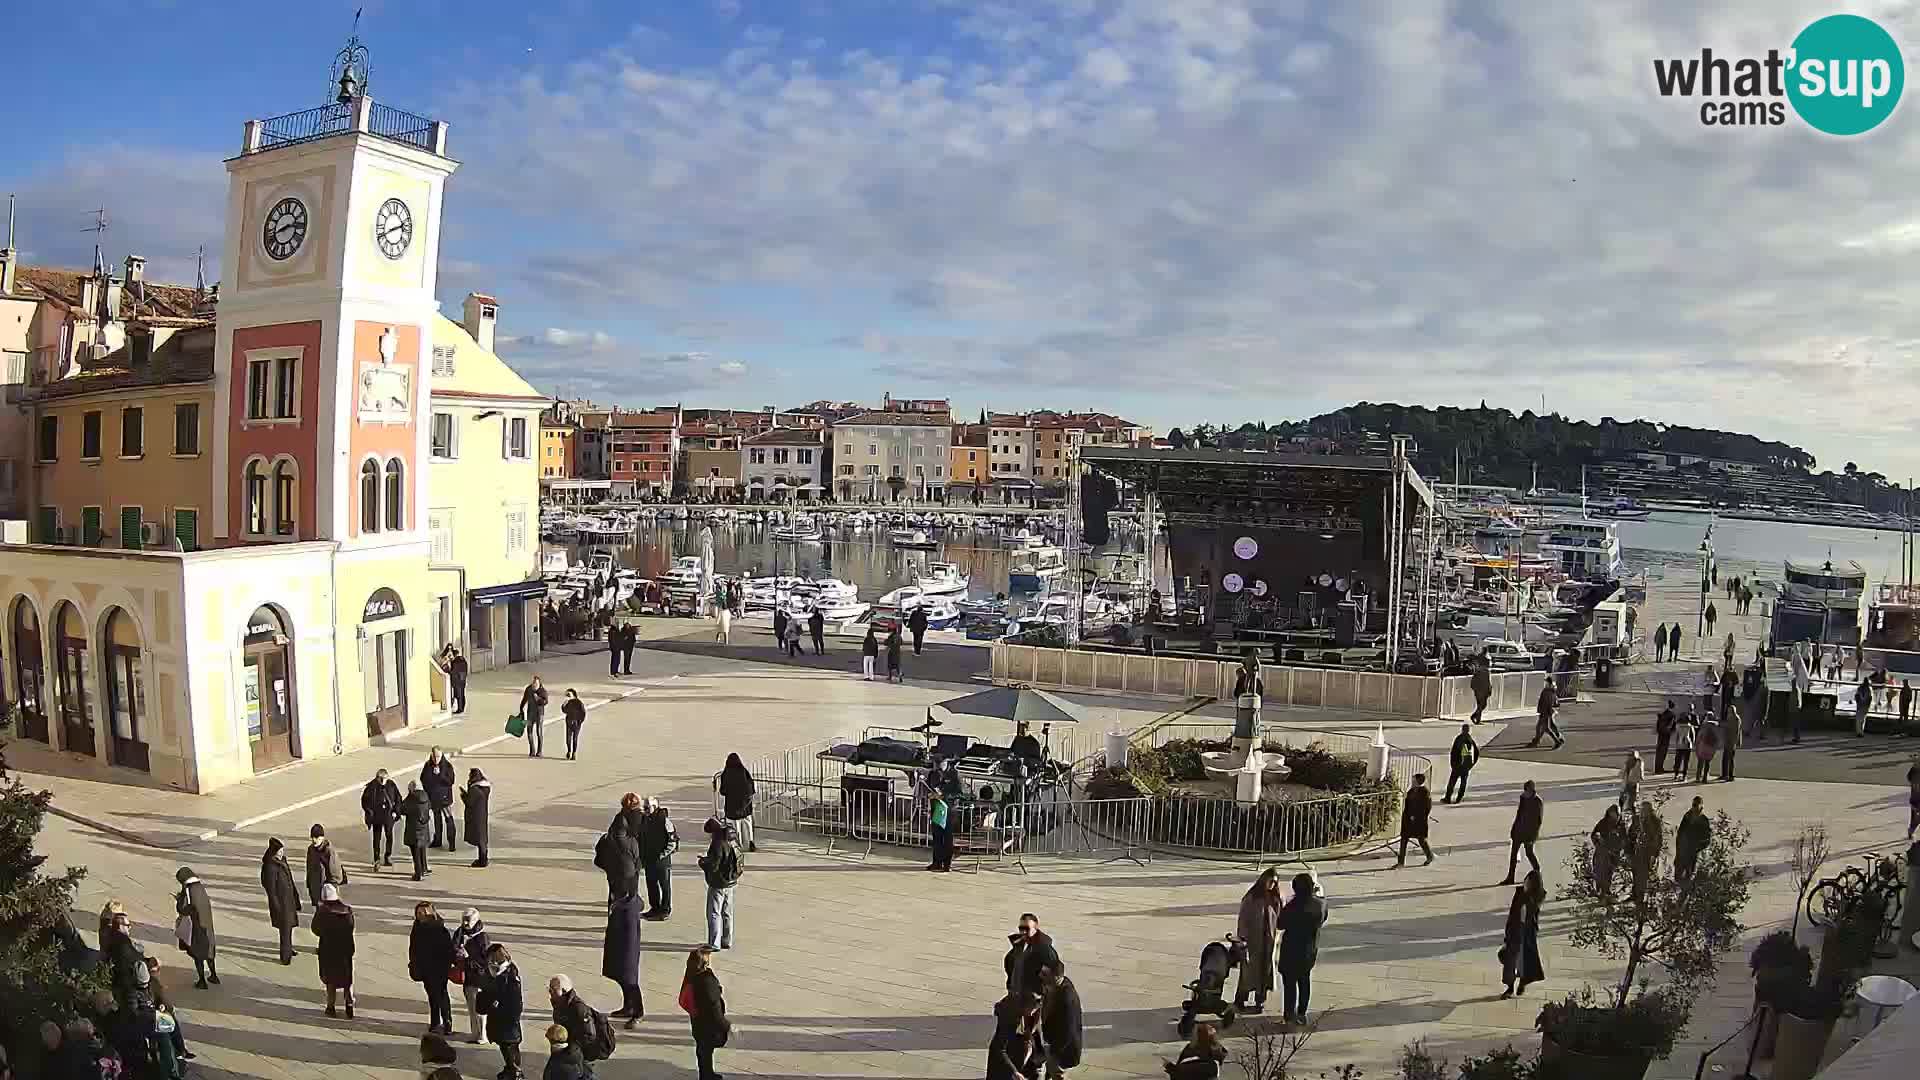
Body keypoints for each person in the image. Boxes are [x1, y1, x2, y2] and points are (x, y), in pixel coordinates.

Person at [1277, 871, 1327, 1027]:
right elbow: (1324, 917)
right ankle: (1302, 1013)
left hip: (1291, 950)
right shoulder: (1320, 904)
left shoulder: (1292, 908)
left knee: (1290, 985)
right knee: (1304, 982)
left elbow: (1280, 924)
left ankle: (1289, 1014)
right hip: (1309, 950)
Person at [1232, 869, 1281, 1013]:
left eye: (1275, 882)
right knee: (1248, 973)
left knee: (1265, 972)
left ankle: (1260, 1001)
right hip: (1252, 941)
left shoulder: (1275, 899)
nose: (1272, 885)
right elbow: (1243, 919)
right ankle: (1240, 1000)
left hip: (1268, 941)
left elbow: (1279, 919)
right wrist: (1242, 939)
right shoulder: (1251, 898)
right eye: (1270, 881)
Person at [477, 944, 525, 1080]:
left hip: (507, 1021)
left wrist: (495, 1004)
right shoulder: (499, 973)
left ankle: (515, 1071)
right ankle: (511, 1067)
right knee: (506, 1047)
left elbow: (514, 1003)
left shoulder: (509, 976)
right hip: (500, 1020)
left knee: (509, 1047)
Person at [600, 885, 645, 1025]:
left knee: (630, 980)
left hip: (627, 947)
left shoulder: (629, 904)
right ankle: (628, 1007)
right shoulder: (620, 899)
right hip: (619, 943)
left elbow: (631, 934)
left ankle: (638, 1012)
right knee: (622, 977)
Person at [682, 947, 730, 1080]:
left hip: (697, 1022)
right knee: (706, 1050)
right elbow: (714, 1009)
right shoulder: (706, 981)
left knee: (702, 1051)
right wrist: (726, 1026)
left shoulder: (691, 975)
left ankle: (705, 1073)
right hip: (708, 1025)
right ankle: (707, 1075)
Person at [411, 901, 457, 1036]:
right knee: (432, 995)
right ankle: (435, 1022)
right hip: (424, 967)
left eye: (424, 913)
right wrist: (413, 962)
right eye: (419, 913)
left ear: (432, 913)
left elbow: (448, 949)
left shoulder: (439, 928)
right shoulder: (417, 926)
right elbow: (413, 946)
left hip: (439, 968)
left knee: (441, 995)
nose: (421, 916)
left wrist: (447, 965)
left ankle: (447, 1022)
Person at [312, 883, 356, 1018]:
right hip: (345, 949)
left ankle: (331, 1007)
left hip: (328, 950)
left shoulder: (323, 911)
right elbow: (351, 927)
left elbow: (315, 929)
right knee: (347, 980)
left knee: (330, 980)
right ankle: (349, 1004)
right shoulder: (347, 910)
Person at [1499, 871, 1546, 998]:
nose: (1525, 883)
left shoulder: (1538, 896)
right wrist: (1507, 933)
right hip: (1515, 931)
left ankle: (1523, 982)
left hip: (1527, 933)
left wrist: (1526, 896)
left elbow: (1532, 909)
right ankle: (1509, 988)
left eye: (1528, 882)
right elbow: (1512, 913)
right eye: (1526, 880)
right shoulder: (1519, 893)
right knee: (1510, 962)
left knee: (1524, 962)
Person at [698, 819, 743, 951]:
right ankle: (726, 940)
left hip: (718, 883)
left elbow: (713, 865)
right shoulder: (731, 839)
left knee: (714, 912)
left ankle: (714, 943)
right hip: (731, 882)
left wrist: (703, 862)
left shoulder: (717, 844)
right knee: (727, 912)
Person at [173, 866, 219, 988]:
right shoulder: (200, 887)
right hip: (207, 926)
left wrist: (178, 900)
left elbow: (184, 910)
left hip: (197, 928)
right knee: (209, 952)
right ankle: (214, 975)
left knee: (198, 955)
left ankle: (202, 981)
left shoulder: (188, 890)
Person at [260, 837, 302, 964]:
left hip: (288, 900)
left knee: (288, 928)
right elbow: (270, 890)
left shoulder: (282, 861)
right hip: (281, 904)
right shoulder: (270, 867)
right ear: (274, 852)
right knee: (285, 929)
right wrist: (276, 907)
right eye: (279, 851)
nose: (282, 853)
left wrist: (296, 897)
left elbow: (290, 880)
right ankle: (285, 956)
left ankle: (288, 949)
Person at [454, 908, 493, 1045]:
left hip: (479, 979)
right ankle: (474, 1032)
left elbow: (485, 961)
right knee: (471, 1008)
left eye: (468, 920)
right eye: (463, 919)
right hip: (467, 977)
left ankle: (483, 1034)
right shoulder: (460, 933)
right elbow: (453, 947)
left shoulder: (482, 937)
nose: (465, 923)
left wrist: (468, 957)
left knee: (480, 1008)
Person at [637, 797, 679, 919]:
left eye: (647, 807)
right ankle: (654, 908)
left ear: (654, 807)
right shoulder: (644, 820)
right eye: (644, 807)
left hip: (662, 861)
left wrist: (661, 855)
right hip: (648, 860)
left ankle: (665, 910)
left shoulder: (665, 821)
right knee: (651, 885)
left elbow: (672, 842)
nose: (644, 810)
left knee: (665, 886)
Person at [1039, 962, 1082, 1080]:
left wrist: (1054, 1052)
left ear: (1056, 976)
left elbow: (1068, 1030)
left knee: (1058, 1075)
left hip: (1061, 1049)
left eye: (1045, 974)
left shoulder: (1067, 998)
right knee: (1051, 1071)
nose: (1041, 975)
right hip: (1052, 1042)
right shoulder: (1055, 985)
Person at [987, 992, 1043, 1080]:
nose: (1031, 1014)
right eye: (1032, 1010)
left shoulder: (1029, 1013)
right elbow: (999, 1048)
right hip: (1006, 1065)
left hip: (1019, 1060)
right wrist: (1014, 1071)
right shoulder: (1009, 1020)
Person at [1004, 913, 1061, 999]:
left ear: (1036, 928)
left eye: (1027, 928)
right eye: (1021, 928)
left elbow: (1056, 972)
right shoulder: (1019, 945)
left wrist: (1040, 995)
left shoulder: (1044, 948)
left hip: (1033, 1000)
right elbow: (1011, 966)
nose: (1023, 932)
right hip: (1016, 996)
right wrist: (1010, 987)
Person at [1502, 780, 1543, 885]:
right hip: (1518, 831)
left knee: (1529, 853)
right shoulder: (1523, 798)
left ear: (1531, 790)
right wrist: (1513, 829)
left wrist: (1533, 837)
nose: (1525, 792)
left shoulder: (1537, 802)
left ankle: (1538, 873)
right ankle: (1510, 877)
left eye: (1527, 790)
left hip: (1529, 833)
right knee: (1513, 855)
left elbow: (1538, 822)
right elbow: (1518, 815)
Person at [362, 767, 402, 867]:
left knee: (389, 836)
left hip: (388, 815)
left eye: (383, 779)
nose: (381, 781)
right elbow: (364, 801)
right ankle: (376, 859)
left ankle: (388, 856)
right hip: (376, 816)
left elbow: (398, 798)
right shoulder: (371, 787)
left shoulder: (391, 785)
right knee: (377, 838)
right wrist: (370, 812)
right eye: (379, 779)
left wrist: (396, 811)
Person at [718, 753, 757, 853]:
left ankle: (738, 845)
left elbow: (723, 791)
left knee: (736, 827)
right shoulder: (744, 772)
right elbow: (751, 787)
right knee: (748, 825)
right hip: (745, 806)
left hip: (732, 807)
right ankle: (750, 842)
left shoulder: (726, 774)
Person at [596, 818, 641, 902]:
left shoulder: (605, 838)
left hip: (612, 872)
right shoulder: (631, 841)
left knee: (613, 893)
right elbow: (636, 857)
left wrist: (606, 867)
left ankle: (613, 912)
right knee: (627, 895)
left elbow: (599, 854)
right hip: (627, 872)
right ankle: (627, 912)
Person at [424, 748, 459, 853]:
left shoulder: (447, 766)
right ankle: (437, 840)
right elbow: (423, 779)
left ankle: (451, 842)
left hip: (445, 798)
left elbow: (451, 781)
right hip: (433, 798)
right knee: (437, 819)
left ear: (441, 755)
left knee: (448, 818)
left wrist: (440, 775)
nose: (436, 759)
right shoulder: (428, 765)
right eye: (434, 756)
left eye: (438, 756)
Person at [1395, 773, 1434, 867]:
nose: (1411, 782)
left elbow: (1427, 808)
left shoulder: (1425, 792)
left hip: (1419, 821)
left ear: (1417, 781)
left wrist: (1417, 817)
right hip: (1408, 820)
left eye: (1413, 780)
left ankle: (1430, 856)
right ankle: (1401, 862)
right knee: (1404, 840)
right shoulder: (1411, 791)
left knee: (1421, 840)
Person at [1628, 800, 1664, 900]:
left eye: (1645, 810)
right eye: (1642, 809)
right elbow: (1630, 835)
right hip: (1638, 850)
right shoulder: (1637, 819)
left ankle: (1645, 897)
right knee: (1636, 873)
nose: (1643, 812)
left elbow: (1658, 839)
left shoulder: (1655, 822)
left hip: (1649, 852)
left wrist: (1654, 854)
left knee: (1646, 875)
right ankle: (1636, 894)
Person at [402, 780, 435, 881]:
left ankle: (418, 873)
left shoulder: (411, 798)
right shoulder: (425, 796)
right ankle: (424, 868)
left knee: (415, 852)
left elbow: (403, 809)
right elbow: (429, 806)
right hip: (424, 827)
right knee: (422, 849)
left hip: (413, 828)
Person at [306, 824, 346, 907]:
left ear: (322, 837)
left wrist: (330, 888)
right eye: (312, 837)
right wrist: (309, 884)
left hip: (328, 891)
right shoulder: (311, 850)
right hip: (316, 889)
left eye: (316, 837)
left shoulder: (329, 851)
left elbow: (336, 874)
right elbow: (309, 868)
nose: (314, 840)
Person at [1590, 804, 1626, 895]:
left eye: (1615, 813)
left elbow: (1624, 838)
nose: (1613, 815)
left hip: (1614, 853)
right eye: (1612, 812)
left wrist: (1620, 847)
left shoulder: (1620, 825)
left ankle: (1607, 891)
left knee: (1610, 873)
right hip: (1602, 853)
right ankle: (1602, 892)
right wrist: (1598, 843)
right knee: (1601, 872)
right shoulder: (1603, 822)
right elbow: (1594, 835)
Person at [1674, 796, 1711, 883]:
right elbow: (1680, 834)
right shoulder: (1687, 816)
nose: (1694, 807)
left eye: (1696, 805)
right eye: (1693, 805)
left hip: (1693, 854)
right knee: (1678, 877)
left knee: (1690, 878)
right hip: (1682, 852)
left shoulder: (1704, 820)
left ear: (1701, 806)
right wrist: (1678, 850)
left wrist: (1696, 848)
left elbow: (1707, 840)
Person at [463, 768, 493, 868]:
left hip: (475, 816)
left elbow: (469, 802)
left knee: (479, 838)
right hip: (483, 814)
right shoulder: (485, 787)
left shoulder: (474, 789)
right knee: (483, 838)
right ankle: (484, 858)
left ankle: (482, 860)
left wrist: (463, 795)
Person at [1444, 722, 1476, 804]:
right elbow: (1476, 753)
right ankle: (1459, 798)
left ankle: (1448, 797)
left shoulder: (1459, 739)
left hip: (1457, 765)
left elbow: (1454, 752)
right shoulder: (1470, 740)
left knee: (1452, 782)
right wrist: (1471, 764)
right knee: (1463, 782)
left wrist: (1453, 763)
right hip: (1465, 767)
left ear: (1462, 730)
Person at [521, 676, 550, 758]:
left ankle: (539, 751)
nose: (534, 685)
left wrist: (538, 699)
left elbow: (546, 702)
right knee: (529, 731)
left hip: (539, 714)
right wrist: (521, 708)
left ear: (539, 684)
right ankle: (532, 750)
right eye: (533, 683)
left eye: (536, 683)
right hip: (530, 713)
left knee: (538, 731)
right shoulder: (528, 689)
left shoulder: (542, 691)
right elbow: (524, 699)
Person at [1529, 682, 1563, 749]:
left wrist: (1546, 712)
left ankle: (1557, 741)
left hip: (1545, 712)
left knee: (1545, 728)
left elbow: (1549, 704)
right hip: (1546, 712)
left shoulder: (1548, 693)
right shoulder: (1549, 692)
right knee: (1544, 726)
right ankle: (1538, 740)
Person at [927, 789, 954, 872]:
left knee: (947, 841)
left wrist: (942, 796)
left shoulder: (952, 780)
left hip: (947, 814)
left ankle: (947, 864)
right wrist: (931, 795)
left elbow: (956, 792)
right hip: (937, 814)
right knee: (937, 840)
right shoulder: (935, 778)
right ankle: (937, 862)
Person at [558, 690, 588, 761]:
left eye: (569, 694)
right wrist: (564, 705)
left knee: (575, 738)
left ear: (573, 695)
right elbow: (564, 711)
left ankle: (574, 753)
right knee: (568, 738)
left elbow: (583, 713)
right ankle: (569, 751)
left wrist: (580, 721)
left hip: (576, 723)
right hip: (569, 722)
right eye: (567, 695)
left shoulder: (579, 703)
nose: (567, 696)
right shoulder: (568, 702)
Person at [1694, 715, 1719, 783]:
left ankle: (1698, 777)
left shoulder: (1704, 726)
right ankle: (1705, 777)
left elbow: (1700, 736)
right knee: (1707, 763)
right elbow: (1717, 738)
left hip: (1703, 746)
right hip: (1711, 747)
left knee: (1700, 762)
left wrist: (1696, 744)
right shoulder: (1715, 726)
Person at [1673, 709, 1697, 779]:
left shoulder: (1678, 726)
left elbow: (1676, 736)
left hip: (1680, 745)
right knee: (1686, 761)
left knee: (1678, 760)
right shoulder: (1690, 726)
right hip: (1687, 745)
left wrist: (1676, 743)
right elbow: (1693, 736)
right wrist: (1692, 744)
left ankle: (1676, 774)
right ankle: (1684, 775)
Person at [1654, 700, 1676, 774]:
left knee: (1659, 751)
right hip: (1666, 735)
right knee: (1663, 752)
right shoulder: (1672, 715)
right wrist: (1672, 731)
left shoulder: (1663, 714)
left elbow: (1658, 723)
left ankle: (1657, 768)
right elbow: (1671, 725)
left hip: (1660, 734)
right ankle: (1660, 768)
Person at [1469, 656, 1493, 722]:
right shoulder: (1484, 671)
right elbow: (1487, 681)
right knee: (1482, 705)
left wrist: (1474, 688)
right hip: (1482, 691)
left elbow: (1474, 680)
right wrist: (1489, 689)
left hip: (1479, 690)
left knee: (1480, 705)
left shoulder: (1480, 670)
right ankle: (1474, 716)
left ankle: (1477, 719)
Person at [449, 648, 470, 715]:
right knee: (462, 694)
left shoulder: (455, 662)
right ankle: (462, 708)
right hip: (462, 680)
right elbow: (466, 669)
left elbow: (453, 672)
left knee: (458, 695)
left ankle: (460, 709)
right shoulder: (463, 660)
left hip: (457, 680)